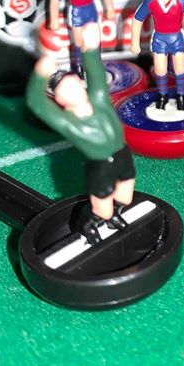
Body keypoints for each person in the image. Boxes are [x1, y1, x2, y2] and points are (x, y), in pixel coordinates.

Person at [26, 23, 133, 245]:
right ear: (60, 100)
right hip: (101, 165)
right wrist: (40, 74)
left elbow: (95, 72)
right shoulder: (68, 122)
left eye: (75, 83)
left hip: (122, 152)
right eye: (68, 89)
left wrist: (90, 46)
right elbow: (36, 104)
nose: (76, 89)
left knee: (125, 195)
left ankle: (114, 215)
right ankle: (87, 224)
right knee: (102, 208)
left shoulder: (99, 98)